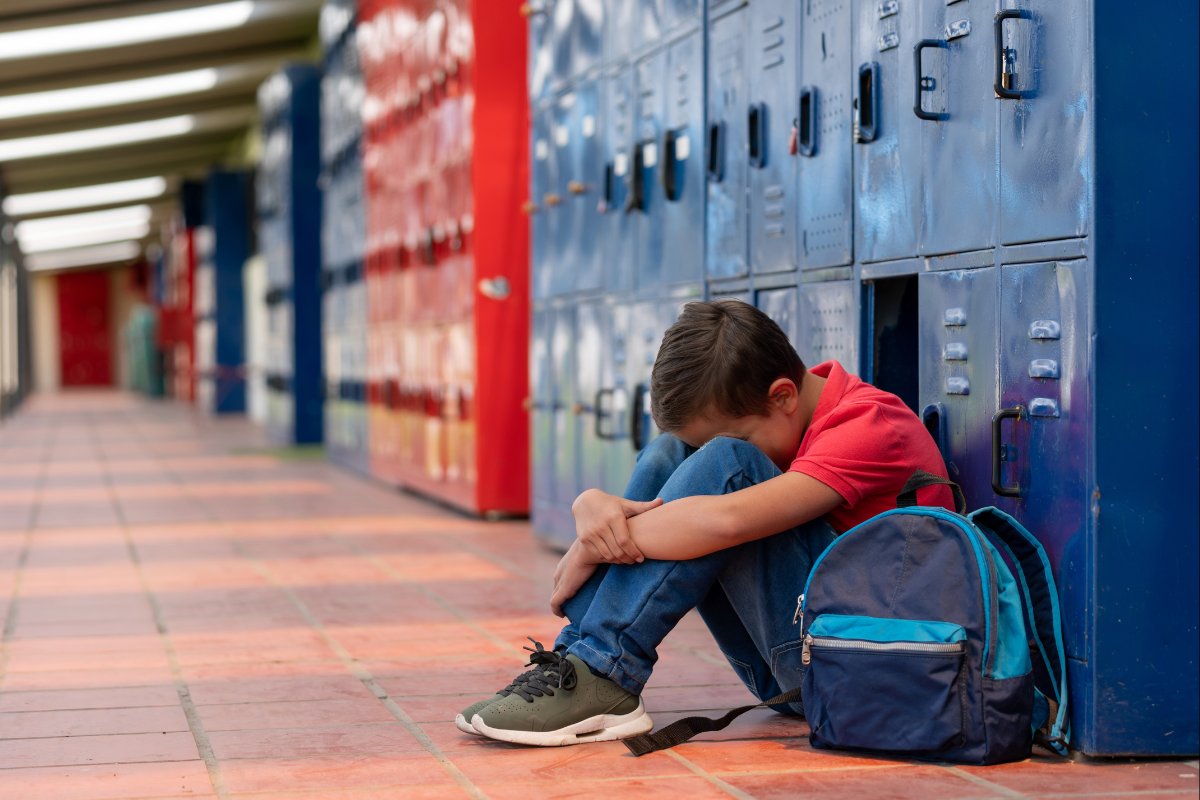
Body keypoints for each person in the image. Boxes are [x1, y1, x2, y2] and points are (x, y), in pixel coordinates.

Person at [457, 299, 955, 746]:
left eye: (743, 430)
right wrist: (592, 506)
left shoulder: (871, 426)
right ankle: (580, 664)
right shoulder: (791, 416)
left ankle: (602, 670)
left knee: (728, 464)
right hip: (790, 669)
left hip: (863, 673)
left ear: (782, 397)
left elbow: (727, 520)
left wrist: (594, 544)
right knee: (671, 452)